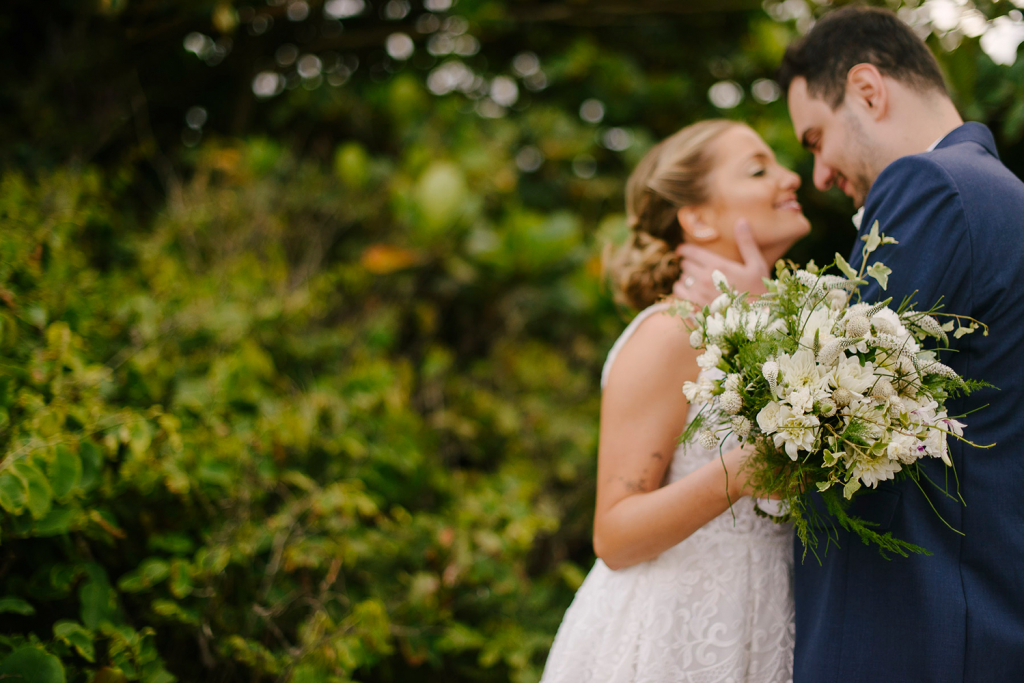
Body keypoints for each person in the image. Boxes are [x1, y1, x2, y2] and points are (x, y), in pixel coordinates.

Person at [676, 7, 1024, 682]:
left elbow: (845, 402)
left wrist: (753, 321)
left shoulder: (928, 185)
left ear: (867, 90)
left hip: (913, 630)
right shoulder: (1001, 194)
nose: (819, 175)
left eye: (814, 138)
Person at [540, 119, 810, 683]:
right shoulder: (671, 333)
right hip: (674, 633)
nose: (791, 177)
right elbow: (613, 535)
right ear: (698, 218)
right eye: (759, 169)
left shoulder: (790, 330)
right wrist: (743, 470)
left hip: (768, 623)